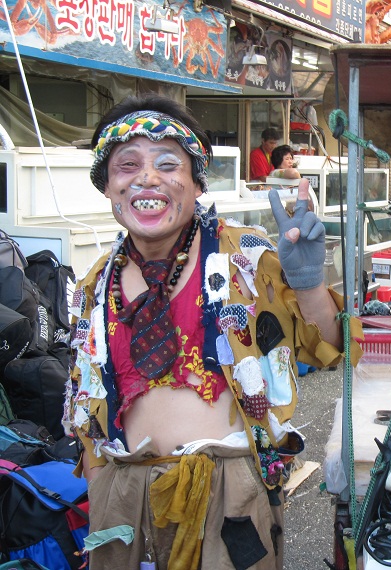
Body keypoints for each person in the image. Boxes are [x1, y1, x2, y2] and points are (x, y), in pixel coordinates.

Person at [65, 95, 363, 570]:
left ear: (196, 182)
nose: (147, 178)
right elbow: (87, 406)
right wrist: (102, 487)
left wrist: (308, 283)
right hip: (124, 498)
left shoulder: (245, 257)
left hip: (229, 496)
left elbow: (328, 350)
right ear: (108, 187)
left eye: (167, 163)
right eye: (127, 165)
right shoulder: (95, 284)